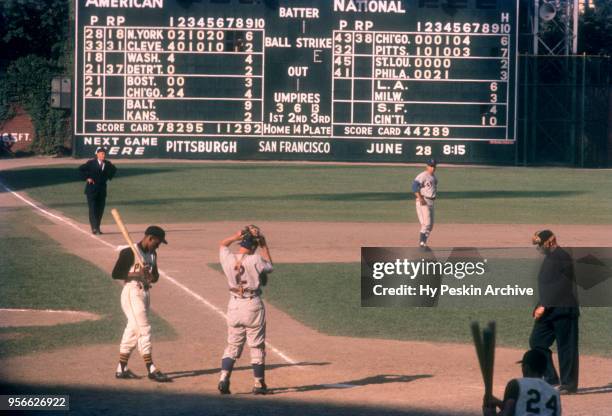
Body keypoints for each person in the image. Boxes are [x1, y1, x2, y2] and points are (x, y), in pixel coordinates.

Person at [217, 225, 273, 395]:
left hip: (234, 305)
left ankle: (223, 378)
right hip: (252, 305)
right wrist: (264, 245)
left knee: (233, 345)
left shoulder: (227, 258)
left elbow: (222, 244)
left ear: (241, 243)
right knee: (256, 345)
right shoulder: (255, 259)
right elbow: (270, 266)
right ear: (254, 247)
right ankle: (258, 384)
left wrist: (236, 236)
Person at [112, 225, 171, 383]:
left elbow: (155, 277)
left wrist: (150, 275)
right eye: (157, 242)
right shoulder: (129, 252)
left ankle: (121, 368)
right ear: (150, 238)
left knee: (133, 329)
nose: (158, 246)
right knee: (145, 329)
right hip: (132, 293)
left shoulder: (153, 254)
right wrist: (137, 273)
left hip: (145, 294)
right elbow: (116, 273)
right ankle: (151, 368)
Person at [529, 230, 579, 395]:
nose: (539, 249)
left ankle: (569, 384)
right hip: (549, 309)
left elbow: (562, 286)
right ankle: (551, 377)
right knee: (537, 341)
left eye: (540, 245)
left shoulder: (562, 256)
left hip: (564, 309)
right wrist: (538, 305)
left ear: (550, 242)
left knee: (566, 348)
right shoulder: (550, 257)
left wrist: (544, 305)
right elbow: (546, 286)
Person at [483, 349, 561, 416]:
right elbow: (536, 410)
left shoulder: (516, 385)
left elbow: (508, 414)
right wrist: (499, 403)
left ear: (526, 368)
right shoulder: (555, 393)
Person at [78, 147, 117, 234]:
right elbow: (80, 169)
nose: (103, 155)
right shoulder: (91, 163)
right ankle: (94, 228)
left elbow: (114, 170)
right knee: (92, 209)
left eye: (104, 154)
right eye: (102, 154)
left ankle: (98, 227)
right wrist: (87, 178)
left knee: (100, 210)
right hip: (91, 190)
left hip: (102, 190)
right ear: (97, 154)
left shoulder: (107, 164)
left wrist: (108, 177)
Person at [412, 159, 438, 247]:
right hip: (423, 201)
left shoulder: (434, 177)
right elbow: (414, 187)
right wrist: (420, 198)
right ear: (427, 166)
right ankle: (422, 243)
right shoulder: (423, 175)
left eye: (434, 166)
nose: (433, 168)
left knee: (430, 226)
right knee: (426, 224)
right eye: (431, 166)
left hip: (431, 202)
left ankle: (424, 242)